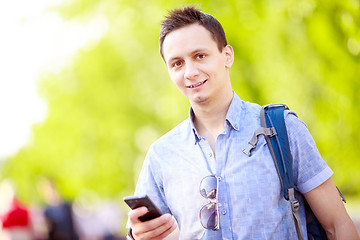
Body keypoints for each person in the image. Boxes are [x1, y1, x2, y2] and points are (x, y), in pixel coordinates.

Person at [127, 5, 360, 240]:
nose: (190, 72)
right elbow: (141, 234)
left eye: (200, 56)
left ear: (227, 56)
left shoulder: (282, 130)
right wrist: (137, 235)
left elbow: (337, 225)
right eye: (177, 63)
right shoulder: (161, 155)